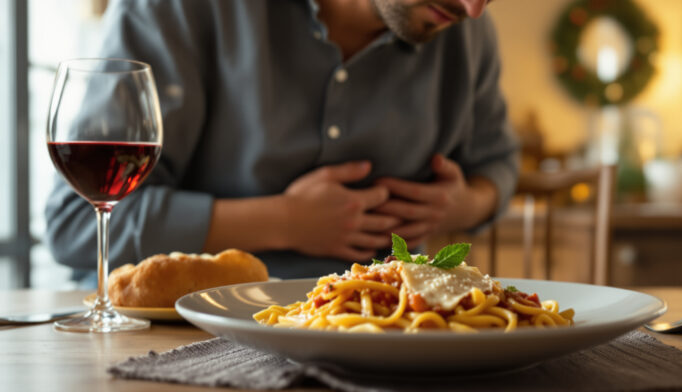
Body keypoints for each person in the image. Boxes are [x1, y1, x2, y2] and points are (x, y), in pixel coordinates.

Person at [45, 0, 518, 279]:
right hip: (178, 341)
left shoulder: (469, 34)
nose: (474, 8)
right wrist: (284, 222)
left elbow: (497, 165)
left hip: (386, 348)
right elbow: (77, 224)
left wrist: (464, 206)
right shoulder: (177, 10)